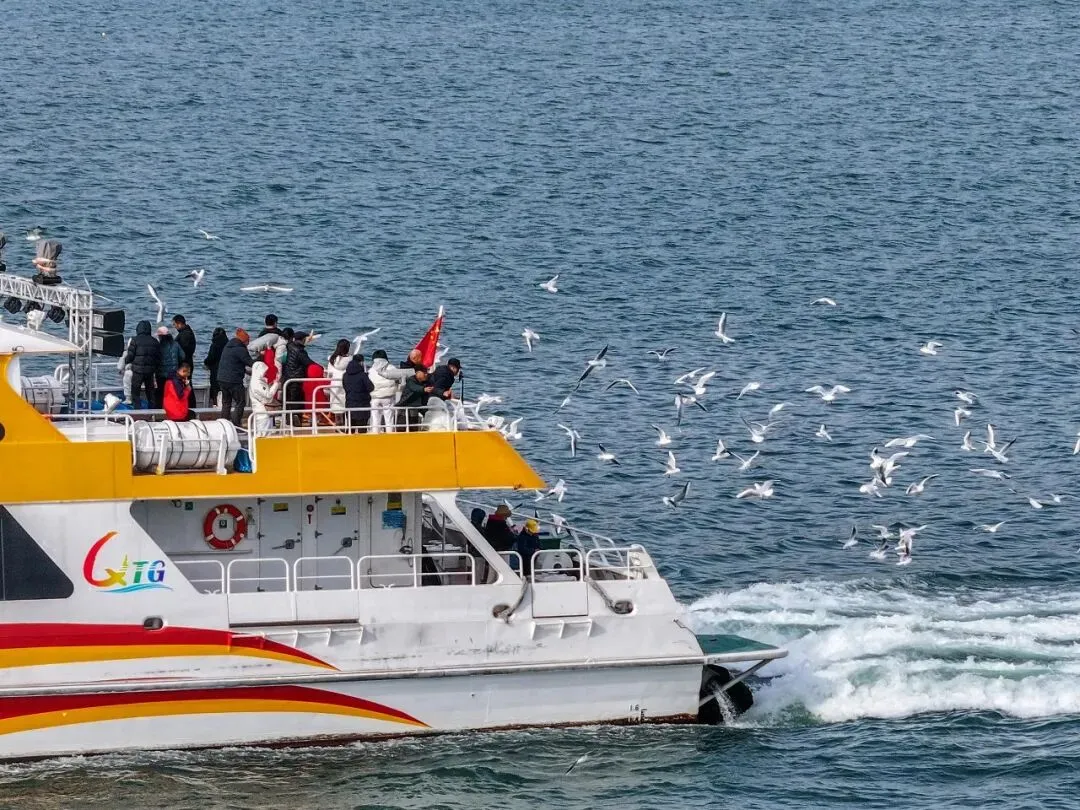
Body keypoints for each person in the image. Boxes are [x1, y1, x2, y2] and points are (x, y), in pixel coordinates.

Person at [367, 349, 410, 433]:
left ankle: (375, 435)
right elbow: (401, 382)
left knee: (375, 419)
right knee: (389, 419)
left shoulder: (371, 370)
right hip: (388, 397)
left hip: (374, 398)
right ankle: (389, 435)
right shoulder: (392, 368)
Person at [217, 328, 253, 427]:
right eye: (248, 341)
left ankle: (224, 425)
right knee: (240, 402)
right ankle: (236, 424)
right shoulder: (241, 349)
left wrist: (245, 371)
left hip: (222, 378)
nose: (248, 344)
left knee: (226, 403)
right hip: (233, 380)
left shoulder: (228, 346)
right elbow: (250, 363)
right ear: (244, 340)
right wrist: (261, 359)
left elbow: (233, 364)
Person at [123, 320, 161, 411]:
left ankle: (137, 410)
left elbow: (130, 356)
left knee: (135, 392)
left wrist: (126, 361)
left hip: (137, 371)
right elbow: (158, 357)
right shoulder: (154, 341)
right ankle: (152, 411)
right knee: (150, 392)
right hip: (150, 372)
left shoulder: (135, 340)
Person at [282, 331, 314, 420]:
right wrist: (320, 368)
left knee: (288, 401)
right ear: (303, 340)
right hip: (296, 379)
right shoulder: (300, 351)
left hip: (287, 377)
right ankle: (296, 420)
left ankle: (288, 420)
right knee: (297, 401)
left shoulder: (290, 346)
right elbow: (308, 362)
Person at [343, 353, 374, 432]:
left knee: (350, 429)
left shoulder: (345, 375)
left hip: (350, 404)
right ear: (361, 362)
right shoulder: (363, 375)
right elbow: (371, 387)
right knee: (362, 430)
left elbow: (345, 387)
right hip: (362, 405)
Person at [248, 359, 281, 435]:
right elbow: (268, 394)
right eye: (264, 371)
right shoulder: (258, 383)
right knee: (263, 435)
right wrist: (275, 384)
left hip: (261, 412)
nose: (265, 373)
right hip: (262, 413)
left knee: (261, 434)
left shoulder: (257, 381)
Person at [396, 367, 432, 431]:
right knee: (402, 426)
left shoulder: (427, 381)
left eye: (426, 373)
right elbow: (414, 388)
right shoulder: (411, 380)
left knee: (413, 426)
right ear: (418, 373)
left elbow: (434, 387)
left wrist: (443, 392)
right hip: (405, 404)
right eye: (424, 373)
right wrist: (423, 389)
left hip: (416, 406)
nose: (426, 374)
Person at [325, 339, 352, 426]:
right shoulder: (350, 360)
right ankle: (347, 427)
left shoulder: (332, 360)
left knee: (337, 408)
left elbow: (329, 375)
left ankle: (339, 427)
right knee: (346, 408)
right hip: (346, 384)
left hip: (335, 385)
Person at [155, 327, 183, 408]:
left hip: (161, 374)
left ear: (160, 336)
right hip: (173, 374)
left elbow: (156, 359)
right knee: (172, 393)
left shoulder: (159, 346)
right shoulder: (176, 344)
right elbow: (182, 356)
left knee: (160, 393)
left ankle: (159, 410)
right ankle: (172, 409)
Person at [203, 327, 228, 408]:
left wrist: (206, 362)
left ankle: (215, 405)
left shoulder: (214, 345)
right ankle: (224, 405)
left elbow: (211, 358)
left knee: (215, 389)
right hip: (226, 371)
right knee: (224, 390)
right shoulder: (228, 345)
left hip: (215, 370)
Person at [302, 360, 332, 427]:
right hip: (320, 404)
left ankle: (311, 421)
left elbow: (303, 389)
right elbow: (329, 384)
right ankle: (318, 421)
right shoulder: (321, 380)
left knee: (311, 413)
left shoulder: (306, 381)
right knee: (326, 401)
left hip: (308, 404)